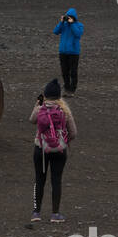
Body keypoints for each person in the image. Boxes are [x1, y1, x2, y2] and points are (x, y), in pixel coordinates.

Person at [29, 78, 76, 224]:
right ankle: (55, 214)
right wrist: (63, 140)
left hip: (40, 149)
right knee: (56, 180)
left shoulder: (40, 109)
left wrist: (37, 105)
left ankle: (36, 212)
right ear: (59, 95)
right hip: (59, 151)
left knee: (39, 179)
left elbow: (31, 120)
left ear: (45, 94)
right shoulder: (64, 111)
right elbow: (73, 133)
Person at [52, 8, 84, 96]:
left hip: (73, 52)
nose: (68, 18)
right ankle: (67, 89)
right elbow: (55, 31)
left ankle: (72, 90)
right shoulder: (64, 25)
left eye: (70, 17)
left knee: (73, 72)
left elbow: (78, 34)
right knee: (65, 71)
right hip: (63, 52)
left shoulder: (79, 25)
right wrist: (61, 22)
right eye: (67, 17)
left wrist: (72, 23)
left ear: (74, 18)